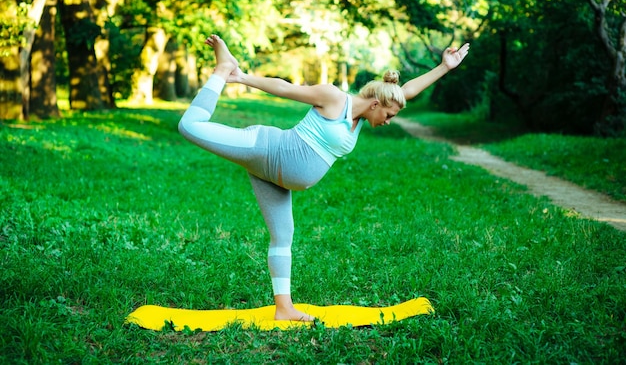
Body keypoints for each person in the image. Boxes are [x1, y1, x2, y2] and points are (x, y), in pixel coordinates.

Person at [178, 35, 470, 322]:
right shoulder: (334, 98)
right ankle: (222, 70)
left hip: (274, 178)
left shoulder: (363, 118)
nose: (389, 120)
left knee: (283, 236)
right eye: (390, 114)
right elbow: (285, 88)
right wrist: (240, 78)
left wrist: (445, 67)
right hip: (265, 149)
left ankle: (284, 309)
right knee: (189, 127)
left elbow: (407, 90)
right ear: (375, 104)